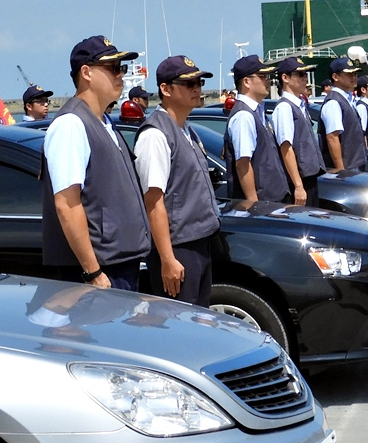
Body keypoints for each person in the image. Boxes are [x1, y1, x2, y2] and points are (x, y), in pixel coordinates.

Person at [41, 36, 151, 290]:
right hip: (101, 272)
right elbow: (67, 205)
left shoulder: (105, 122)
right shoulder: (70, 124)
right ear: (86, 72)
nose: (121, 75)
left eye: (121, 68)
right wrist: (93, 272)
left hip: (122, 263)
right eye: (113, 68)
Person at [135, 56, 220, 306]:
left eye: (199, 82)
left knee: (200, 321)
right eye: (188, 83)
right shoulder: (155, 135)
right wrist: (167, 258)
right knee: (178, 323)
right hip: (179, 247)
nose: (197, 88)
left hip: (199, 242)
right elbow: (153, 201)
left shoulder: (187, 130)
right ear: (165, 89)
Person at [224, 55, 287, 202]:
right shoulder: (243, 116)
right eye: (263, 76)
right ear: (246, 81)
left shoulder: (257, 112)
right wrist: (253, 203)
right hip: (262, 205)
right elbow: (243, 164)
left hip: (273, 199)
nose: (268, 80)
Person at [271, 56, 326, 206]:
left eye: (306, 74)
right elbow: (286, 148)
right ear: (285, 78)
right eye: (301, 74)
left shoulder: (299, 105)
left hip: (309, 177)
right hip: (300, 181)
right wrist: (298, 185)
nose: (305, 79)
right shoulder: (284, 108)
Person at [318, 58, 367, 172]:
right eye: (349, 74)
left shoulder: (347, 99)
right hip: (347, 168)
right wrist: (341, 171)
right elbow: (332, 138)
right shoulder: (333, 102)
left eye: (354, 73)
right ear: (335, 77)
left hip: (355, 164)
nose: (354, 77)